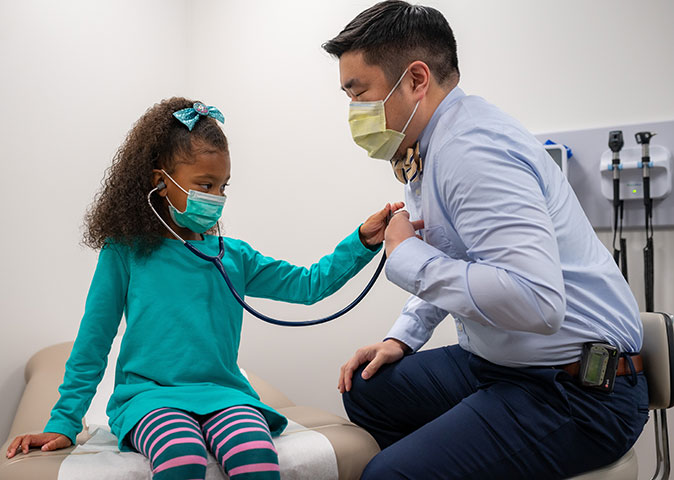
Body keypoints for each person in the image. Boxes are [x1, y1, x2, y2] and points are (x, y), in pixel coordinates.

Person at [323, 2, 649, 479]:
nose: (355, 112)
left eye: (360, 94)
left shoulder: (472, 150)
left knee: (386, 474)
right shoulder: (430, 149)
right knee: (368, 390)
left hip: (581, 391)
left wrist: (406, 254)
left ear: (416, 79)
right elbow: (460, 261)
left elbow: (537, 302)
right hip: (501, 366)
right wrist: (402, 337)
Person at [5, 97, 400, 480]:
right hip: (150, 399)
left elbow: (308, 284)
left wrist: (362, 241)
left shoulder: (233, 256)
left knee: (257, 457)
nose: (216, 198)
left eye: (223, 186)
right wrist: (63, 422)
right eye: (205, 184)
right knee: (181, 456)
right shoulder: (124, 253)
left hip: (224, 395)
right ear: (160, 182)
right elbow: (93, 342)